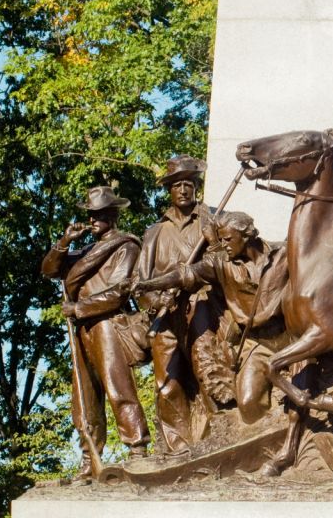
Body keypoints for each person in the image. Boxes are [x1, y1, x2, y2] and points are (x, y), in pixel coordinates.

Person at [133, 211, 289, 425]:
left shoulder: (283, 253)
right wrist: (148, 285)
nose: (222, 244)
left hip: (290, 336)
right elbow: (185, 275)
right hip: (255, 343)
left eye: (227, 239)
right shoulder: (219, 262)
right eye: (220, 239)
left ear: (247, 235)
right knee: (249, 404)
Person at [41, 186, 150, 479]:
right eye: (91, 214)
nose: (94, 219)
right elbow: (49, 269)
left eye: (100, 214)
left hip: (107, 323)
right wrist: (65, 241)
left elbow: (117, 291)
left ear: (113, 215)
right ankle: (90, 457)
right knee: (84, 396)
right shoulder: (83, 251)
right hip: (83, 330)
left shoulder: (126, 246)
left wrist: (78, 308)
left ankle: (137, 448)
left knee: (118, 389)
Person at [135, 155, 213, 455]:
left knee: (206, 375)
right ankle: (176, 449)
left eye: (189, 184)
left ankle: (208, 441)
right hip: (165, 316)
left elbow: (220, 263)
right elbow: (141, 283)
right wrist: (156, 301)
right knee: (167, 383)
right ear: (169, 190)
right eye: (178, 185)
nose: (184, 190)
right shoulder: (154, 233)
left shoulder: (209, 222)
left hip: (201, 308)